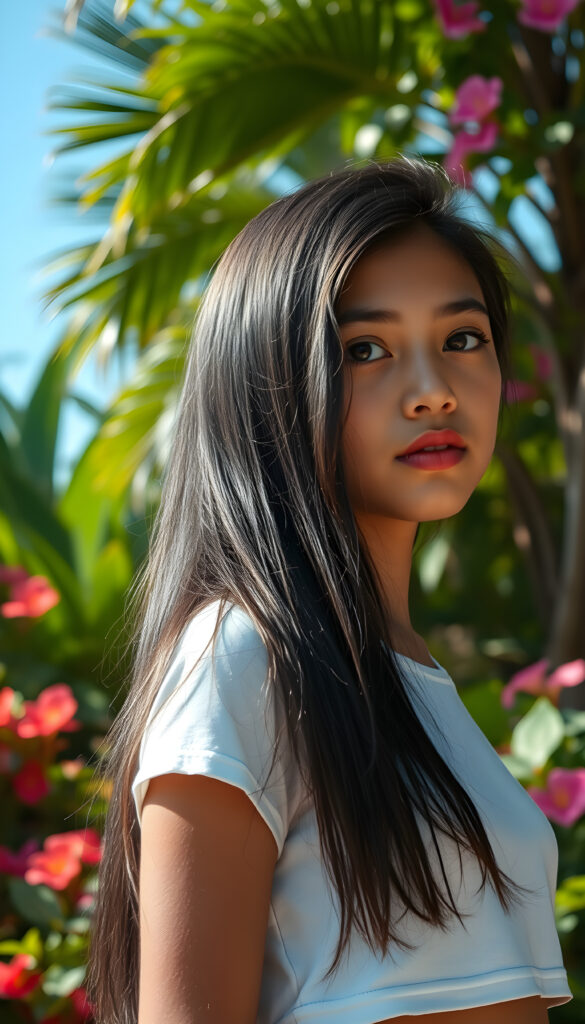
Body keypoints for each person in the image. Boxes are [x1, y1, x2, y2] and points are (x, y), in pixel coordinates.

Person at [85, 157, 573, 1024]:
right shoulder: (244, 658)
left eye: (462, 338)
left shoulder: (407, 673)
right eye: (364, 350)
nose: (431, 392)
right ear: (262, 386)